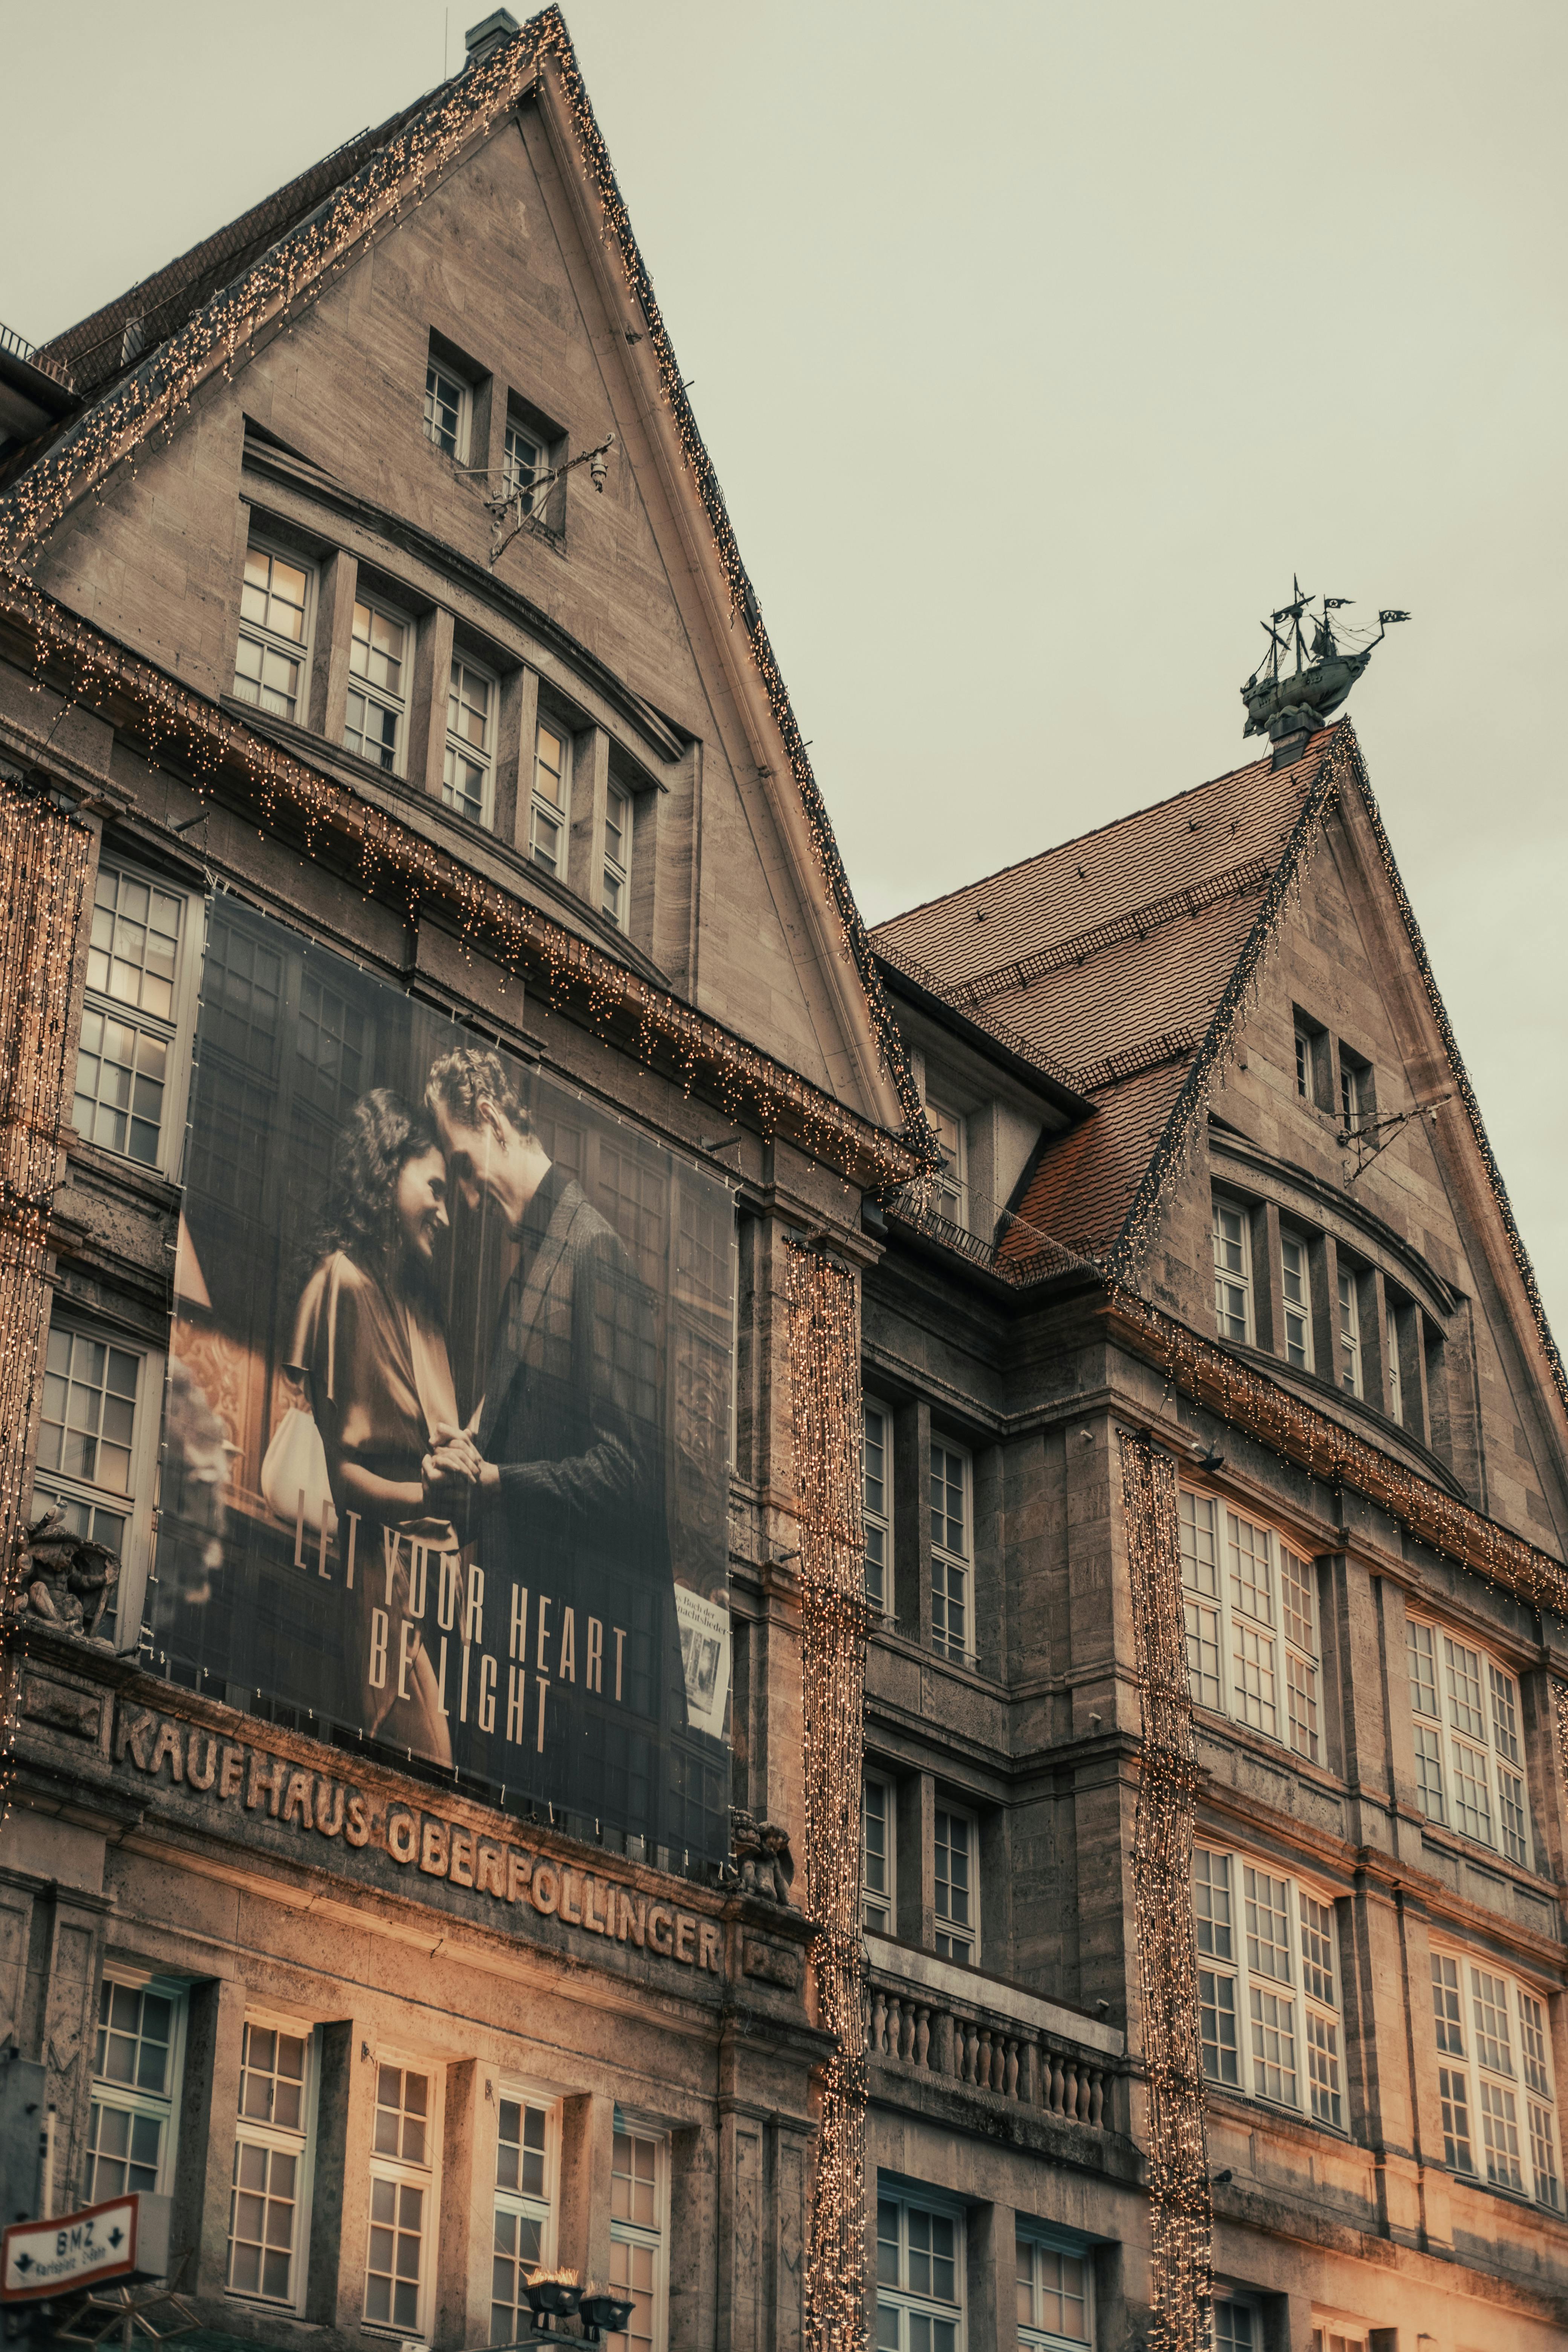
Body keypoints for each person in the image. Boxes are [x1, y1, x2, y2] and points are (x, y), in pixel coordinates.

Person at [418, 1045, 686, 1822]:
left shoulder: (594, 1250)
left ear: (495, 1124)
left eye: (464, 1164)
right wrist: (470, 1452)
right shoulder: (538, 1254)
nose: (464, 1197)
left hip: (579, 1709)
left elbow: (628, 1471)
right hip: (524, 1678)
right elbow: (515, 1441)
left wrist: (498, 1481)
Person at [289, 1090, 460, 1763]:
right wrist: (431, 1496)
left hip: (411, 1592)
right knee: (427, 1771)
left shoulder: (411, 1302)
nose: (445, 1214)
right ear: (389, 1176)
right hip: (365, 1584)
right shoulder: (348, 1286)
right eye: (435, 1189)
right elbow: (346, 1476)